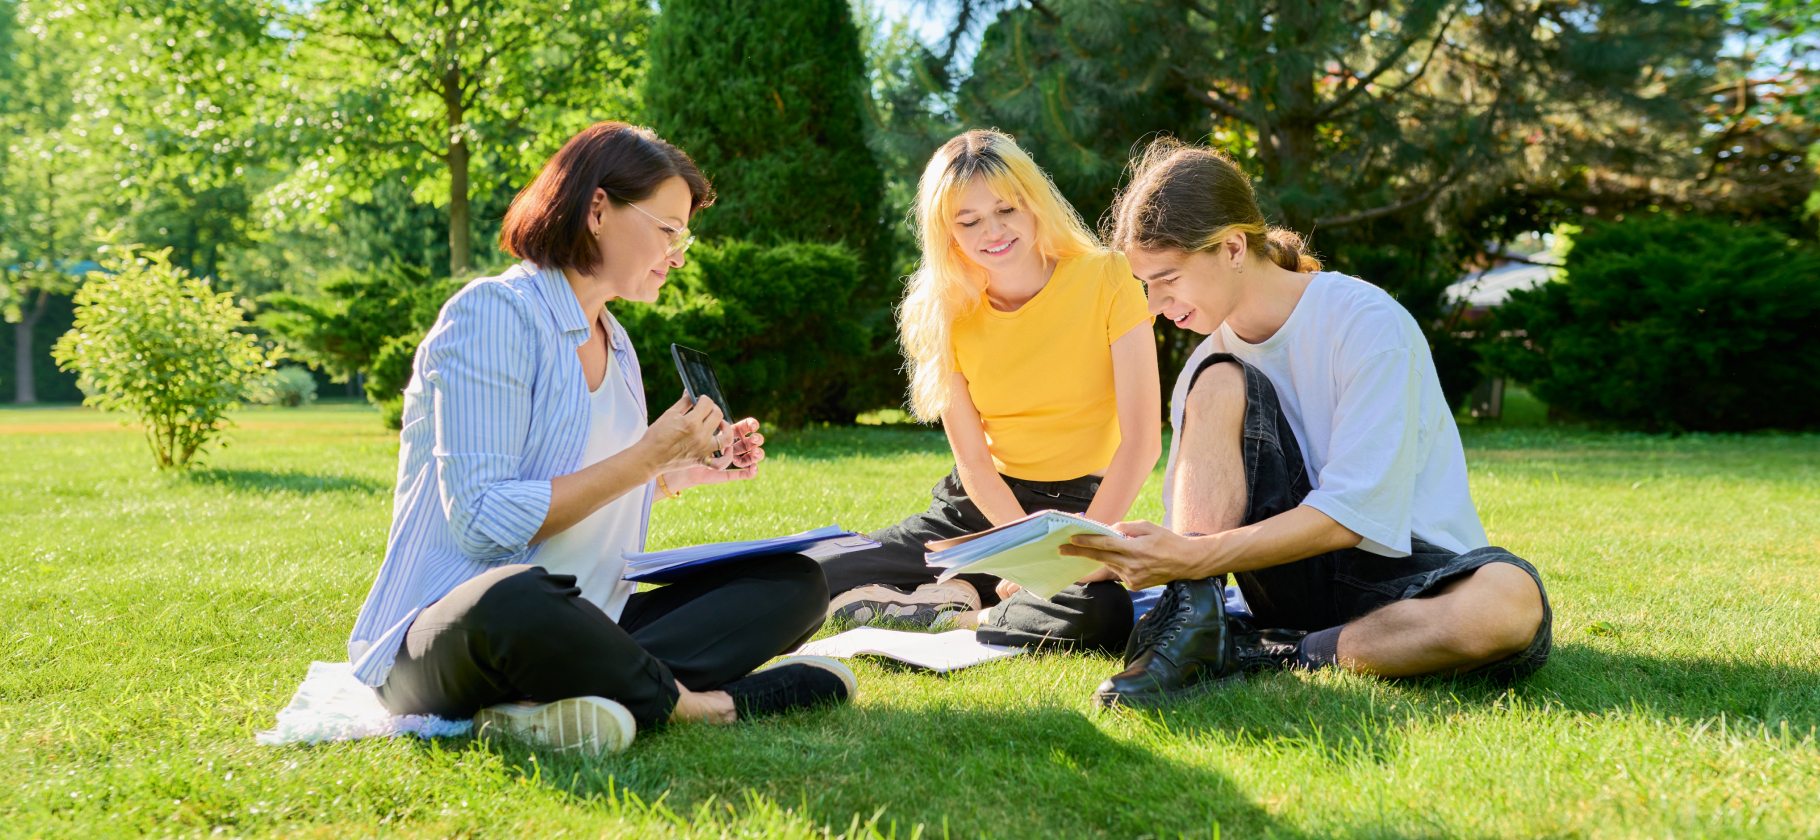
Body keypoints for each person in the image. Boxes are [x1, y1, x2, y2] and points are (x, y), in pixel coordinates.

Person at [345, 122, 854, 755]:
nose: (679, 251)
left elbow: (594, 488)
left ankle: (572, 696)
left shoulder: (617, 341)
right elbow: (483, 520)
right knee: (517, 597)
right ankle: (705, 707)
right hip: (457, 630)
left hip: (592, 620)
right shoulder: (493, 315)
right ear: (597, 209)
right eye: (668, 229)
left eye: (684, 234)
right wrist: (645, 458)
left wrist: (679, 471)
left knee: (795, 583)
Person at [1059, 138, 1551, 708]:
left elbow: (1350, 517)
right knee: (1218, 376)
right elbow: (1202, 525)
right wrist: (1160, 556)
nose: (1152, 304)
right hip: (1283, 576)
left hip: (1408, 573)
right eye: (1146, 284)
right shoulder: (1205, 365)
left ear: (1233, 246)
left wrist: (1194, 555)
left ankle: (1274, 652)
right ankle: (1192, 629)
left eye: (1167, 278)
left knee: (1508, 603)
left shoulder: (1366, 322)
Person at [819, 129, 1162, 654]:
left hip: (1080, 508)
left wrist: (1058, 554)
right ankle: (959, 594)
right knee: (813, 576)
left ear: (1034, 205)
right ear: (946, 231)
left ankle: (960, 614)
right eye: (969, 220)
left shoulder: (1107, 278)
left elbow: (1142, 441)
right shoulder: (942, 313)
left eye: (1006, 210)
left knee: (1102, 613)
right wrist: (1019, 550)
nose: (993, 231)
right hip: (981, 509)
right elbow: (975, 465)